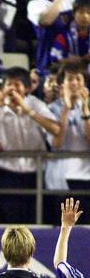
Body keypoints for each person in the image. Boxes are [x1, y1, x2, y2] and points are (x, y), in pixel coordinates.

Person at [0, 67, 60, 224]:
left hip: (36, 171)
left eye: (17, 85)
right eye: (9, 85)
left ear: (26, 88)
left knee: (36, 220)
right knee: (12, 221)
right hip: (9, 172)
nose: (13, 89)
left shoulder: (35, 104)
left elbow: (55, 129)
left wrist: (28, 111)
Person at [46, 60, 90, 224]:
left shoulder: (89, 106)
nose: (74, 83)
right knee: (63, 231)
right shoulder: (52, 109)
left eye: (78, 79)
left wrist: (85, 111)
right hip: (60, 179)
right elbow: (56, 144)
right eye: (70, 79)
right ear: (62, 83)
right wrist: (66, 108)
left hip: (86, 178)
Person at [27, 0, 88, 73]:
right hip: (48, 65)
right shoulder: (35, 4)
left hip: (75, 64)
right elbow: (46, 20)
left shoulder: (72, 0)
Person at [50, 0, 90, 64]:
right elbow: (54, 57)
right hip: (71, 71)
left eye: (89, 13)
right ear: (74, 13)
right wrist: (69, 59)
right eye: (81, 12)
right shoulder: (64, 35)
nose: (85, 16)